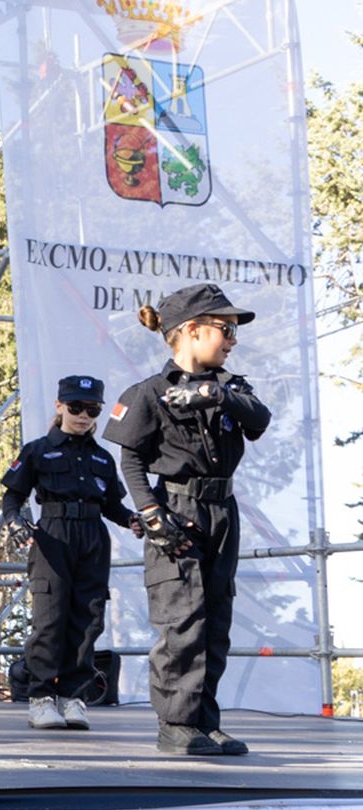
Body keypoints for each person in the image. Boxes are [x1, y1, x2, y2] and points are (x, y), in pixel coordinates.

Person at [102, 284, 270, 755]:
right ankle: (176, 725)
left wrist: (216, 395)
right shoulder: (149, 393)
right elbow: (130, 460)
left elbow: (261, 418)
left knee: (216, 621)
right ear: (192, 331)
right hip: (177, 509)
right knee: (182, 621)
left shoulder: (230, 388)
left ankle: (204, 721)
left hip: (222, 511)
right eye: (225, 328)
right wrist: (151, 514)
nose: (233, 338)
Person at [1, 375, 141, 731]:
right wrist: (17, 523)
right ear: (59, 406)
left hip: (93, 538)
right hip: (52, 537)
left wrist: (135, 522)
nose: (83, 415)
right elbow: (12, 497)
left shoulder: (102, 458)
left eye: (91, 409)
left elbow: (113, 506)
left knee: (88, 620)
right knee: (50, 619)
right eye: (75, 407)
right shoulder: (37, 450)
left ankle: (74, 698)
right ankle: (41, 697)